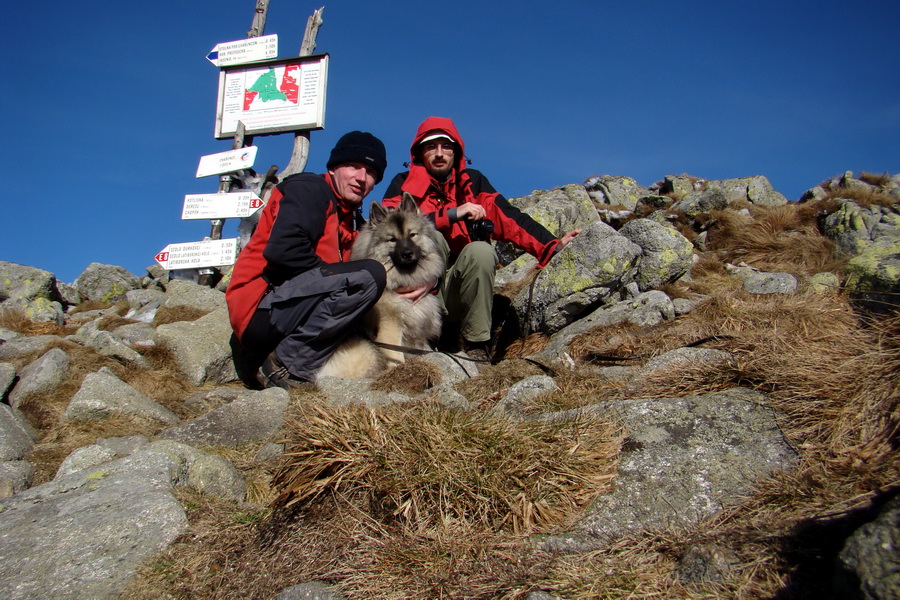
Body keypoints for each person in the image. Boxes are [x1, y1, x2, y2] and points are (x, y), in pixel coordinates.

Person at [227, 131, 419, 389]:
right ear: (334, 167)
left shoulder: (350, 219)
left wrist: (427, 283)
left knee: (365, 279)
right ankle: (287, 366)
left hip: (294, 310)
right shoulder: (308, 190)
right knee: (367, 277)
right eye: (354, 166)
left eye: (371, 172)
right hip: (261, 311)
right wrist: (348, 281)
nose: (361, 177)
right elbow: (284, 252)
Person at [382, 117, 580, 363]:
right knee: (430, 237)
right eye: (431, 147)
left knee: (481, 252)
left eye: (447, 146)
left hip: (459, 286)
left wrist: (551, 246)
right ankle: (428, 339)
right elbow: (388, 229)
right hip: (417, 291)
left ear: (457, 151)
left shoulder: (473, 182)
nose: (440, 153)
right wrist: (453, 214)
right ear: (419, 153)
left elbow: (509, 218)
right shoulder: (402, 185)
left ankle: (477, 344)